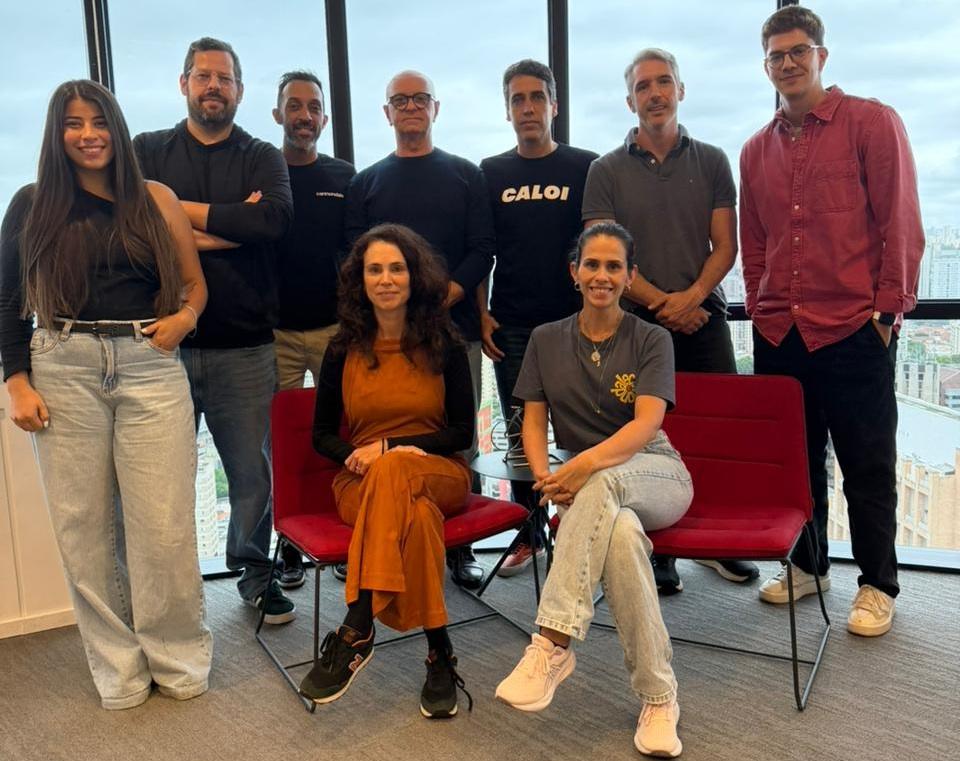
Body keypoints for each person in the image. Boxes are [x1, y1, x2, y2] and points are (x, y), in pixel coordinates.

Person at [0, 79, 211, 709]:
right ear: (57, 134)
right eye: (73, 123)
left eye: (98, 121)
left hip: (149, 363)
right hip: (62, 366)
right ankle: (119, 670)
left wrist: (183, 320)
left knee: (164, 527)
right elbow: (7, 301)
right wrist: (16, 381)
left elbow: (194, 286)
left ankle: (177, 658)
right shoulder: (31, 204)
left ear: (116, 128)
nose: (88, 134)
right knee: (84, 532)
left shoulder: (155, 198)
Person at [740, 6, 924, 637]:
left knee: (867, 463)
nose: (788, 63)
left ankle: (877, 584)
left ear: (821, 55)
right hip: (780, 332)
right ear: (766, 66)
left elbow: (900, 221)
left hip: (853, 327)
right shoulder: (754, 149)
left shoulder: (872, 122)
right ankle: (809, 565)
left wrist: (886, 313)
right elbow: (755, 241)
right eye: (776, 55)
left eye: (799, 51)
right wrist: (760, 307)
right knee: (794, 463)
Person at [495, 223, 692, 758]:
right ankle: (659, 698)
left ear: (630, 277)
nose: (601, 275)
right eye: (592, 264)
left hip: (656, 472)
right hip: (594, 486)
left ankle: (552, 642)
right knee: (622, 538)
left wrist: (580, 469)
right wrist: (546, 478)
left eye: (613, 266)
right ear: (574, 272)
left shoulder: (651, 339)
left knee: (603, 484)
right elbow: (533, 422)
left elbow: (646, 424)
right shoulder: (545, 339)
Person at [581, 47, 757, 594]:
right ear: (629, 100)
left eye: (663, 82)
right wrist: (665, 305)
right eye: (642, 86)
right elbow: (604, 255)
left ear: (680, 90)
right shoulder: (604, 170)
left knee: (717, 431)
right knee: (644, 436)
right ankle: (660, 550)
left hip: (705, 318)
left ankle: (721, 544)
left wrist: (692, 298)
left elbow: (725, 245)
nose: (654, 94)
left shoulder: (712, 160)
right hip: (633, 324)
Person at [133, 37, 296, 623]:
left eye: (224, 79)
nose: (213, 87)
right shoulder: (147, 149)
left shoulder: (260, 155)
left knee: (252, 475)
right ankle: (170, 587)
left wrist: (174, 213)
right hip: (161, 345)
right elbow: (132, 224)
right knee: (161, 478)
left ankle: (255, 574)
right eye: (202, 76)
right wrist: (231, 226)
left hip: (244, 346)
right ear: (184, 83)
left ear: (239, 91)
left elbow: (272, 221)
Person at [301, 223, 475, 719]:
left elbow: (462, 431)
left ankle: (357, 625)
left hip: (437, 472)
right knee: (417, 518)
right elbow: (321, 435)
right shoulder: (342, 348)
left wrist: (391, 449)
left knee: (397, 468)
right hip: (361, 482)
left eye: (396, 268)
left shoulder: (444, 342)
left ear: (414, 276)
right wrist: (358, 456)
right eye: (374, 269)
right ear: (360, 280)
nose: (386, 279)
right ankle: (439, 653)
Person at [344, 69, 495, 589]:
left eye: (420, 99)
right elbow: (354, 256)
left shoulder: (466, 174)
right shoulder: (366, 182)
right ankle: (385, 534)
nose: (410, 107)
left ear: (436, 108)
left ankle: (460, 547)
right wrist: (401, 306)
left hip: (453, 329)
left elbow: (482, 249)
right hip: (383, 336)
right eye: (400, 100)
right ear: (387, 112)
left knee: (456, 435)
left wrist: (438, 299)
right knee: (379, 430)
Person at [479, 59, 597, 576]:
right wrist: (482, 312)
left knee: (581, 433)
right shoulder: (491, 172)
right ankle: (530, 533)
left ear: (554, 105)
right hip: (512, 325)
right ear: (507, 110)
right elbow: (483, 249)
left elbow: (596, 245)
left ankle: (580, 528)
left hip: (575, 325)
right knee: (520, 437)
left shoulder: (585, 166)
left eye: (536, 97)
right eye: (517, 99)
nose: (527, 108)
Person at [271, 70, 356, 589]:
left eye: (313, 107)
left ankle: (343, 529)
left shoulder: (343, 176)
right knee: (280, 444)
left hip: (332, 328)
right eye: (294, 106)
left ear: (324, 118)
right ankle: (288, 544)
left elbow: (356, 249)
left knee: (341, 433)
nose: (304, 116)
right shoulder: (262, 170)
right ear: (277, 114)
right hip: (274, 333)